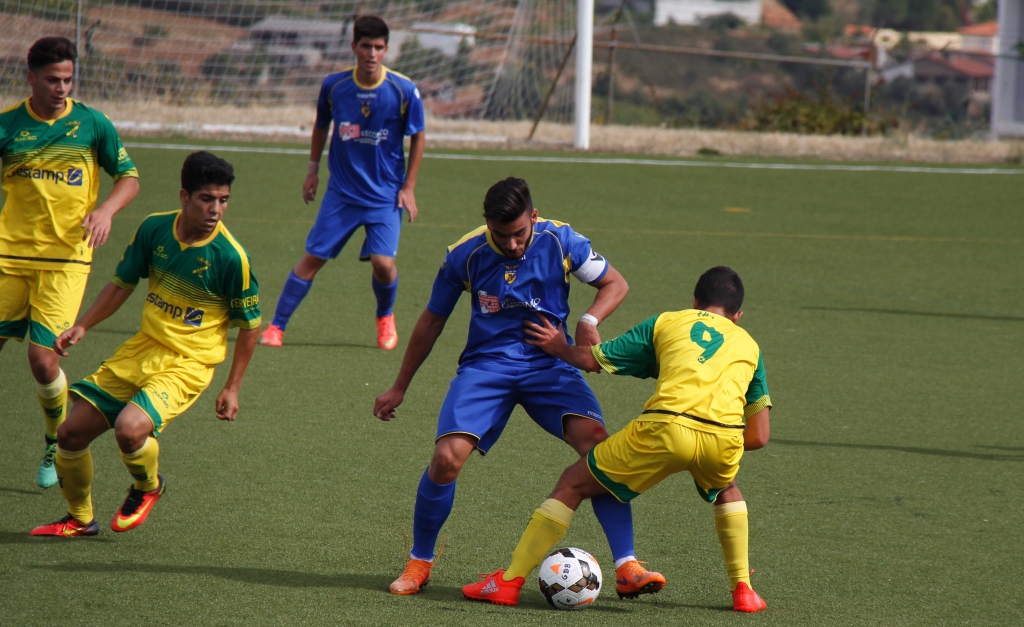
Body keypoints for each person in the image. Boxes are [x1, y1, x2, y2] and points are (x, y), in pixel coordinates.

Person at [374, 177, 666, 599]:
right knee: (446, 458)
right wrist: (399, 386)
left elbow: (615, 284)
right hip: (487, 367)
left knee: (600, 449)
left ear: (533, 216)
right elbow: (432, 320)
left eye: (518, 234)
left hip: (551, 364)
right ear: (487, 224)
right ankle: (420, 562)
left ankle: (627, 566)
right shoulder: (465, 253)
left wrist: (587, 322)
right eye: (501, 235)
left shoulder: (562, 240)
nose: (511, 245)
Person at [462, 266, 773, 613]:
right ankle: (743, 589)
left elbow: (592, 360)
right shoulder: (751, 346)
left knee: (573, 483)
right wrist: (715, 437)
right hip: (724, 439)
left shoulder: (668, 322)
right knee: (728, 489)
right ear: (738, 316)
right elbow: (759, 436)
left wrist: (558, 346)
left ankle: (508, 582)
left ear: (695, 301)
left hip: (665, 429)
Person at [30, 151, 261, 537]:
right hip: (143, 348)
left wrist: (233, 387)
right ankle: (79, 519)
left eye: (224, 200)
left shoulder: (232, 258)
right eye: (207, 199)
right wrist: (83, 324)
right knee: (70, 434)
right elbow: (123, 282)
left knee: (130, 429)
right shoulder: (154, 229)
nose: (216, 209)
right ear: (184, 197)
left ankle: (148, 486)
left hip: (190, 361)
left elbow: (250, 327)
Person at [0, 36, 140, 488]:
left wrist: (105, 210)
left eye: (68, 79)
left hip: (66, 261)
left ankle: (52, 439)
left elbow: (129, 177)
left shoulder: (92, 124)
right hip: (8, 255)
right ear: (31, 79)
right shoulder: (8, 127)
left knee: (43, 362)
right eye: (53, 80)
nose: (62, 88)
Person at [260, 14, 425, 351]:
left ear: (387, 49)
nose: (372, 53)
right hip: (342, 194)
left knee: (383, 263)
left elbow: (418, 135)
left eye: (379, 47)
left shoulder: (403, 90)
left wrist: (408, 187)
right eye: (366, 46)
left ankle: (385, 316)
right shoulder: (334, 86)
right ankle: (276, 327)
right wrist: (312, 169)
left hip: (384, 196)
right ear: (354, 47)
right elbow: (321, 125)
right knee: (312, 258)